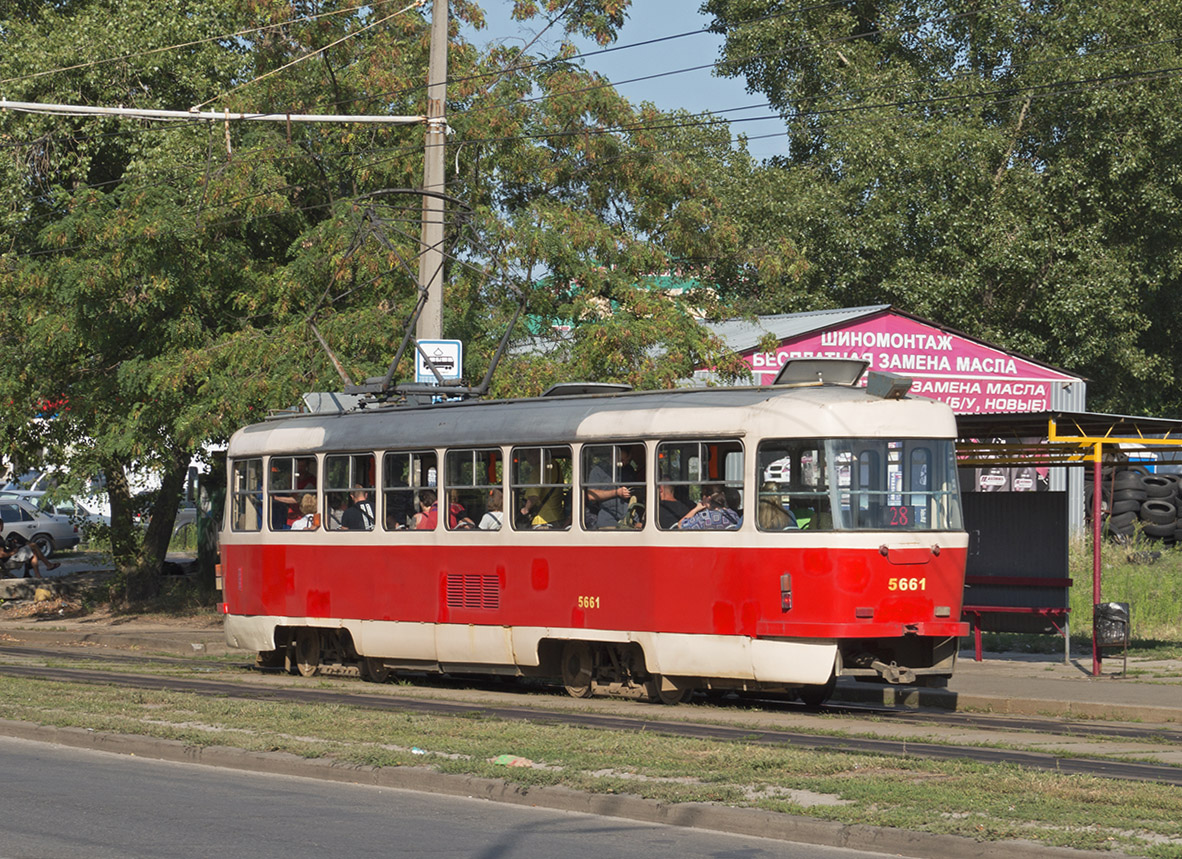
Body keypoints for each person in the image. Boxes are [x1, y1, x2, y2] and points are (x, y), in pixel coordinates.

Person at [585, 445, 644, 529]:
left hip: (630, 514)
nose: (625, 463)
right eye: (622, 460)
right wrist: (617, 492)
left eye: (628, 460)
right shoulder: (598, 470)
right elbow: (591, 495)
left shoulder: (629, 470)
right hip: (608, 516)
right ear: (613, 454)